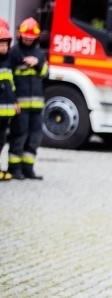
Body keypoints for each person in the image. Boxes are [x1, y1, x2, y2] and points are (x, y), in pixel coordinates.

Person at [7, 18, 48, 180]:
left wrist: (38, 64)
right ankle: (14, 168)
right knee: (19, 135)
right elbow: (8, 78)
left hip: (37, 106)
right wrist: (13, 101)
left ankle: (28, 168)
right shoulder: (14, 53)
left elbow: (46, 74)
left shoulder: (39, 54)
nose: (28, 40)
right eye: (25, 37)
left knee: (35, 137)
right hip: (20, 106)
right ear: (20, 35)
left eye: (31, 38)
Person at [0, 26, 16, 181]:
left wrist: (14, 102)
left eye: (5, 44)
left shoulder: (8, 62)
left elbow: (11, 85)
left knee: (1, 141)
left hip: (5, 113)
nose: (3, 47)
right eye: (1, 44)